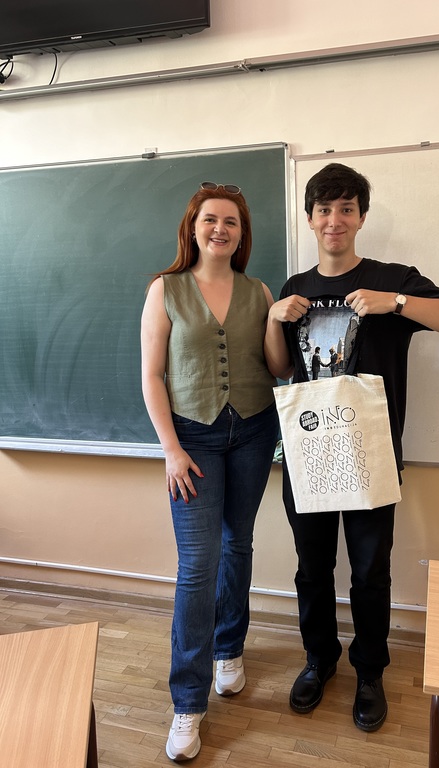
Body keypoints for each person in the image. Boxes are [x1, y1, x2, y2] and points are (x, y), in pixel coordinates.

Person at [264, 163, 439, 732]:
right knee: (312, 570)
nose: (334, 220)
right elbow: (281, 369)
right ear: (309, 219)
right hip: (308, 455)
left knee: (369, 573)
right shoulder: (293, 288)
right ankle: (319, 660)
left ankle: (369, 672)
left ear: (361, 217)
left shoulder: (392, 278)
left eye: (346, 209)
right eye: (324, 210)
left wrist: (398, 303)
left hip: (370, 456)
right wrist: (272, 318)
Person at [141, 181, 279, 762]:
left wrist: (277, 320)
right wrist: (171, 449)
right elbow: (152, 376)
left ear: (242, 234)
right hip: (192, 439)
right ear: (193, 228)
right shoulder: (165, 289)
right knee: (198, 565)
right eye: (210, 220)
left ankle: (229, 649)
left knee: (238, 544)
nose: (220, 229)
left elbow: (275, 367)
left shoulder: (259, 291)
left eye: (231, 222)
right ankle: (187, 703)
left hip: (253, 431)